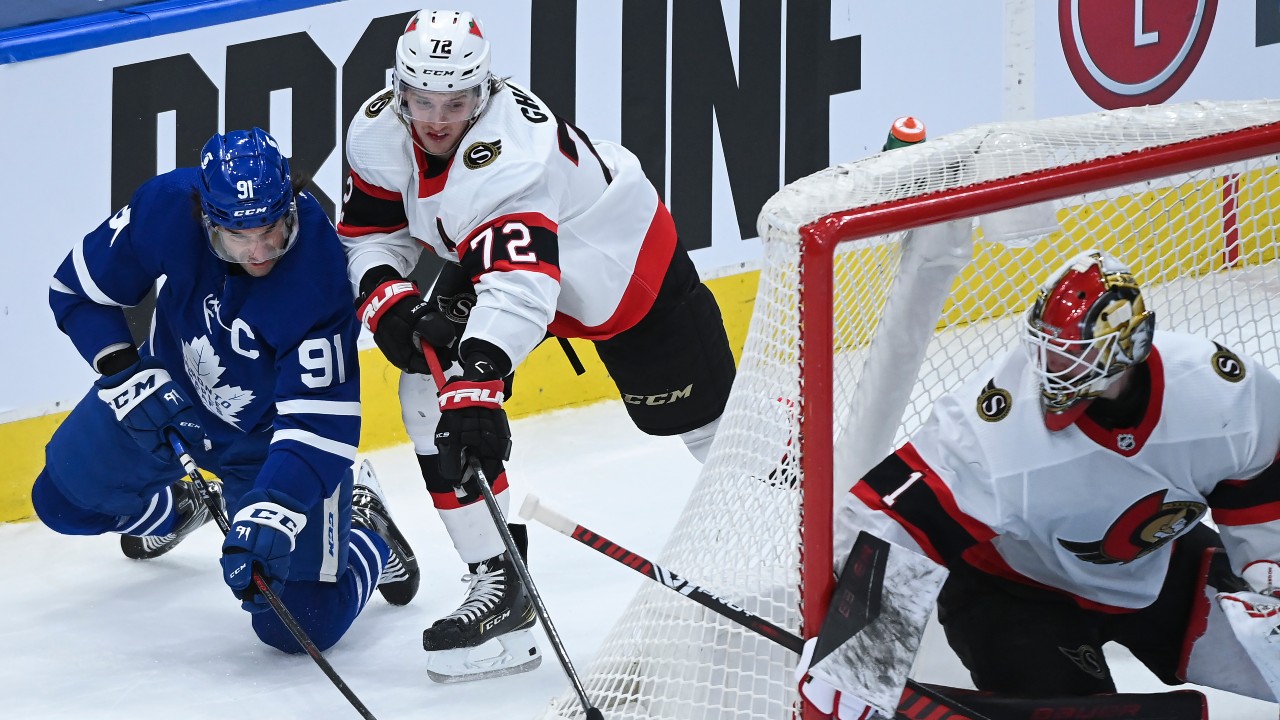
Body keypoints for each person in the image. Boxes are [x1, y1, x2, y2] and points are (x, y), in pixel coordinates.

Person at [338, 9, 736, 681]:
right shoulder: (379, 129)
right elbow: (371, 233)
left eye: (456, 101)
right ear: (398, 88)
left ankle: (815, 542)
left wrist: (481, 388)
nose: (436, 118)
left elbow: (522, 292)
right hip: (507, 266)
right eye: (422, 99)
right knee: (428, 392)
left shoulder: (513, 157)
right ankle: (503, 590)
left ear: (484, 92)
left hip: (619, 270)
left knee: (716, 434)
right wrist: (390, 301)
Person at [798, 251, 1280, 716]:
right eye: (1048, 352)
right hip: (1015, 595)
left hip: (1152, 564)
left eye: (1072, 359)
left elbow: (1262, 471)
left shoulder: (1217, 389)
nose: (1052, 372)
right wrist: (860, 651)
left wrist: (1266, 566)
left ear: (1128, 350)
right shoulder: (996, 430)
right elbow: (893, 520)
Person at [32, 127, 420, 653]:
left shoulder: (319, 271)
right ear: (205, 218)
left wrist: (274, 509)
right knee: (60, 503)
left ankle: (366, 525)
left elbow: (322, 422)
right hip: (166, 400)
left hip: (270, 444)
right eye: (237, 236)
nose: (258, 251)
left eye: (271, 230)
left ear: (291, 206)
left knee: (297, 627)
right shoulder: (167, 207)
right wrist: (126, 372)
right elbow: (75, 291)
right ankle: (180, 506)